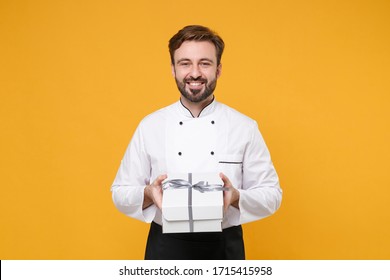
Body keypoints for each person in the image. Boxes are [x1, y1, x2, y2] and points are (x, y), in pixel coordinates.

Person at [111, 25, 282, 260]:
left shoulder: (244, 127)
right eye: (185, 63)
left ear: (218, 69)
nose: (195, 73)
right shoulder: (150, 126)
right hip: (166, 246)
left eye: (205, 63)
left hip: (224, 247)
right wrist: (149, 193)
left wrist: (236, 197)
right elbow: (120, 192)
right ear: (173, 69)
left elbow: (272, 195)